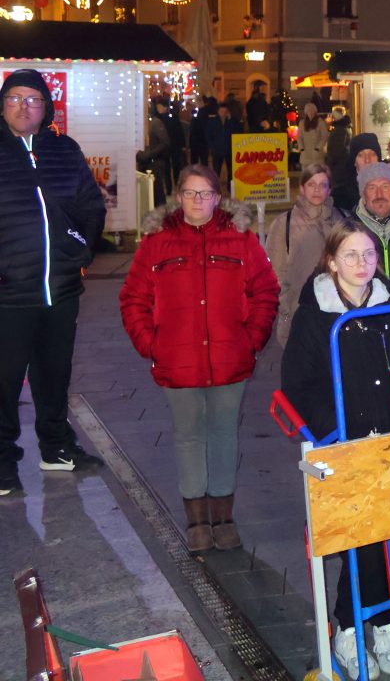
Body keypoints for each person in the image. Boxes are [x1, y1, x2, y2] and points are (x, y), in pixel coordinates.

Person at [281, 223, 390, 679]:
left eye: (369, 255)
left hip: (388, 437)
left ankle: (377, 624)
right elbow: (297, 384)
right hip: (342, 441)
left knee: (381, 534)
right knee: (357, 539)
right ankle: (357, 627)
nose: (363, 264)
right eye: (352, 255)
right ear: (332, 262)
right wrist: (333, 430)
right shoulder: (314, 315)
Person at [119, 166, 279, 550]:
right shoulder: (158, 241)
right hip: (178, 360)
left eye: (205, 194)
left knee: (224, 435)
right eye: (190, 193)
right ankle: (196, 521)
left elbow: (266, 290)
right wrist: (151, 345)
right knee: (189, 437)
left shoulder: (241, 238)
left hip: (230, 358)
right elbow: (133, 298)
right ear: (178, 196)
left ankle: (223, 517)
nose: (197, 201)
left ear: (217, 197)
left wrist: (251, 340)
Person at [0, 69, 107, 497]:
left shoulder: (64, 150)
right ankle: (3, 463)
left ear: (46, 108)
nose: (24, 106)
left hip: (60, 290)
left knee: (54, 375)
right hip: (9, 295)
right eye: (14, 98)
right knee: (4, 383)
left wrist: (77, 250)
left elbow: (90, 208)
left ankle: (56, 448)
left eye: (33, 100)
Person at [264, 165, 344, 347]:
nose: (317, 189)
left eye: (323, 185)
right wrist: (285, 301)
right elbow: (273, 271)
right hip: (297, 311)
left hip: (337, 310)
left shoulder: (341, 219)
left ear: (329, 189)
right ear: (302, 188)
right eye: (311, 184)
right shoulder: (284, 223)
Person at [331, 132, 380, 216]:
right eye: (361, 155)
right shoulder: (340, 196)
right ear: (354, 162)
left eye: (372, 154)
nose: (367, 160)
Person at [298, 103, 329, 173]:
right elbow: (299, 138)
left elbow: (324, 136)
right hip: (305, 156)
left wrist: (317, 148)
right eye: (308, 111)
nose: (310, 112)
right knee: (306, 176)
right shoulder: (302, 123)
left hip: (317, 156)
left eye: (312, 111)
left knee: (317, 174)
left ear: (315, 112)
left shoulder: (320, 122)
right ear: (306, 112)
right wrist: (302, 149)